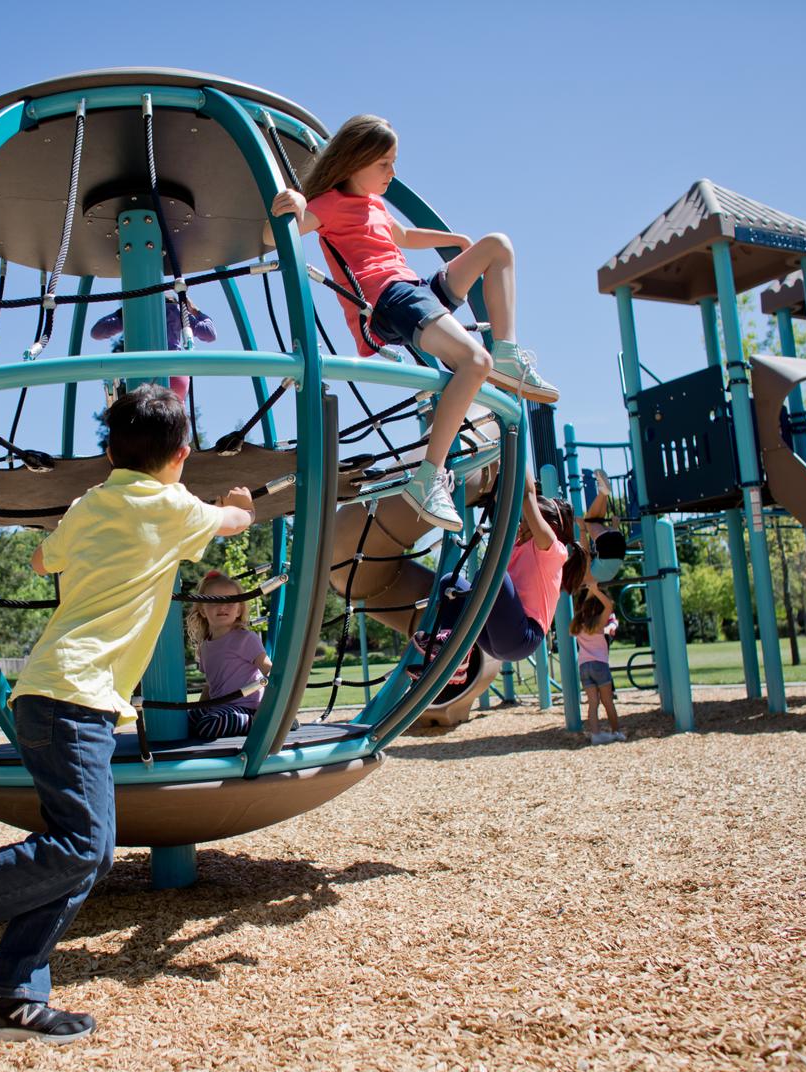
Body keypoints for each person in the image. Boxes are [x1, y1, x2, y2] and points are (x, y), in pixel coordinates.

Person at [0, 384, 255, 1042]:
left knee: (86, 855)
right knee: (80, 847)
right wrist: (239, 505)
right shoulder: (176, 507)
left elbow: (46, 560)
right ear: (182, 455)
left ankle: (9, 996)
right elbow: (231, 522)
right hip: (75, 697)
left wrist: (76, 541)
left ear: (106, 453)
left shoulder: (89, 505)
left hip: (53, 695)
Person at [266, 113, 559, 533]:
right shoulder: (328, 205)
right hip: (388, 301)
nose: (392, 172)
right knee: (473, 363)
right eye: (384, 164)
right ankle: (429, 476)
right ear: (355, 162)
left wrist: (453, 241)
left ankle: (508, 355)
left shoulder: (374, 203)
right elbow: (277, 234)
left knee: (497, 246)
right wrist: (294, 206)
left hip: (414, 288)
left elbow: (401, 236)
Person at [411, 489, 586, 684]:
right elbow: (502, 498)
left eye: (527, 522)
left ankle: (457, 654)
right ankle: (454, 659)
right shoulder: (517, 547)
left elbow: (526, 495)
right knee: (449, 582)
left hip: (522, 636)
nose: (521, 525)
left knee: (492, 575)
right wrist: (497, 463)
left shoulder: (552, 551)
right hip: (493, 634)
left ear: (550, 527)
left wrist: (517, 461)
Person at [183, 569, 272, 739]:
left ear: (239, 610)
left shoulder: (244, 638)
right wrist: (199, 708)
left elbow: (270, 671)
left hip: (244, 706)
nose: (223, 606)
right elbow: (210, 684)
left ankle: (259, 722)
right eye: (215, 601)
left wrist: (267, 711)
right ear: (202, 610)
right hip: (217, 705)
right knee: (179, 722)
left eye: (230, 601)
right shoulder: (205, 645)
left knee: (208, 725)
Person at [90, 295, 216, 403]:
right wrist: (195, 311)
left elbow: (97, 332)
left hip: (143, 371)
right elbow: (210, 334)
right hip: (175, 371)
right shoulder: (176, 310)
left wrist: (124, 311)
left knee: (143, 420)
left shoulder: (135, 311)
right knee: (175, 420)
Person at [570, 580, 623, 744]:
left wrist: (590, 592)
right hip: (599, 664)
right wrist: (597, 591)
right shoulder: (598, 623)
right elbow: (609, 605)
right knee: (608, 701)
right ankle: (617, 732)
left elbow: (582, 607)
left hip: (584, 666)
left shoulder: (578, 623)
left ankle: (595, 735)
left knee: (593, 703)